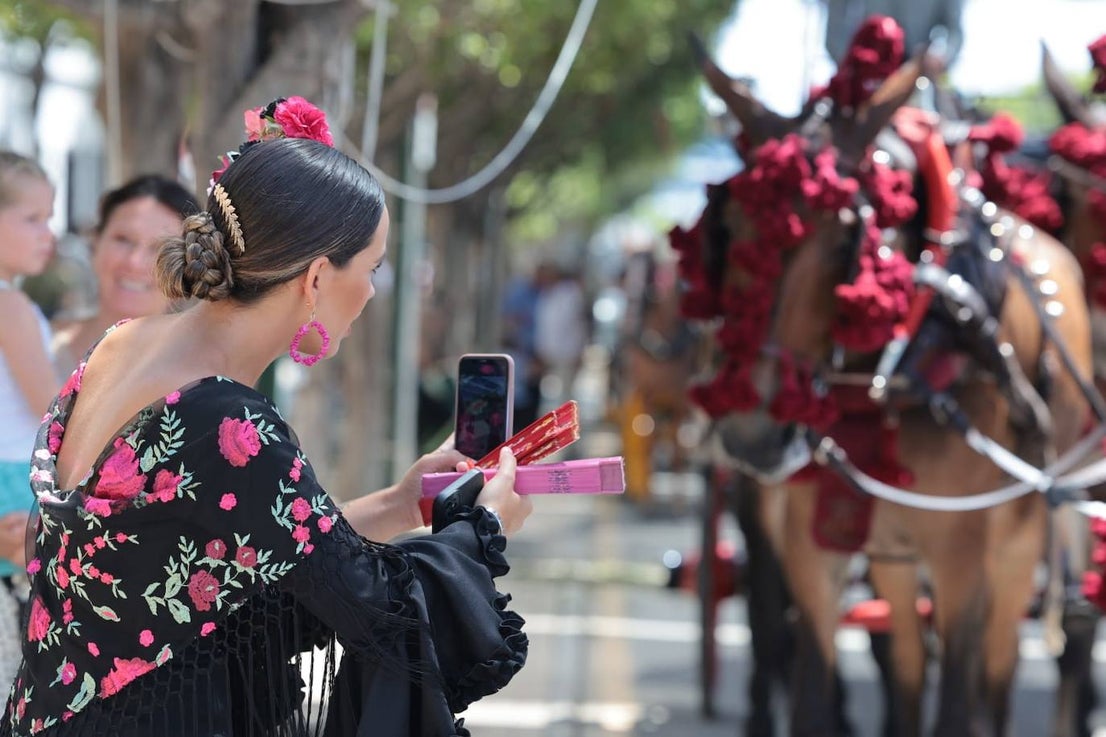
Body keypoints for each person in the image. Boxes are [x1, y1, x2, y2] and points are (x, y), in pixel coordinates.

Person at [1, 97, 532, 737]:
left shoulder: (121, 344)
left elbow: (288, 552)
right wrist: (485, 526)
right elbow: (378, 608)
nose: (370, 291)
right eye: (371, 268)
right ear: (314, 278)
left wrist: (401, 500)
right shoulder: (229, 422)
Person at [0, 152, 58, 689]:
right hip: (14, 492)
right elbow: (56, 407)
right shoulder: (11, 306)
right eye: (33, 218)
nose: (49, 232)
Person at [52, 176, 199, 374]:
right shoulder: (37, 343)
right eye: (123, 240)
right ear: (95, 242)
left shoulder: (198, 375)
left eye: (160, 249)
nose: (135, 261)